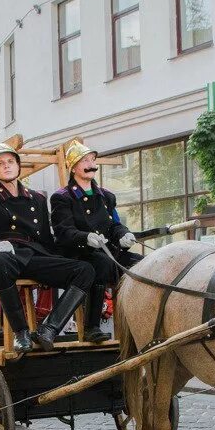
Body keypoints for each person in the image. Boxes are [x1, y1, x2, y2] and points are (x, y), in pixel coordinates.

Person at [0, 142, 95, 353]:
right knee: (0, 263)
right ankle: (21, 333)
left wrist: (77, 247)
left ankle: (49, 329)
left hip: (34, 255)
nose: (7, 166)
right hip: (4, 255)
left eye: (11, 162)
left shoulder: (36, 198)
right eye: (0, 163)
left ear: (18, 166)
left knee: (85, 270)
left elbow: (47, 239)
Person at [50, 141, 139, 342]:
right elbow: (63, 231)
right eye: (84, 160)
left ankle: (143, 319)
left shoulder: (106, 196)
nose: (90, 164)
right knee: (102, 264)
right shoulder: (62, 197)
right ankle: (92, 327)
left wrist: (124, 234)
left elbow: (114, 224)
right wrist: (86, 238)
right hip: (79, 253)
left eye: (92, 160)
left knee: (143, 263)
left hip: (108, 249)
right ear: (73, 167)